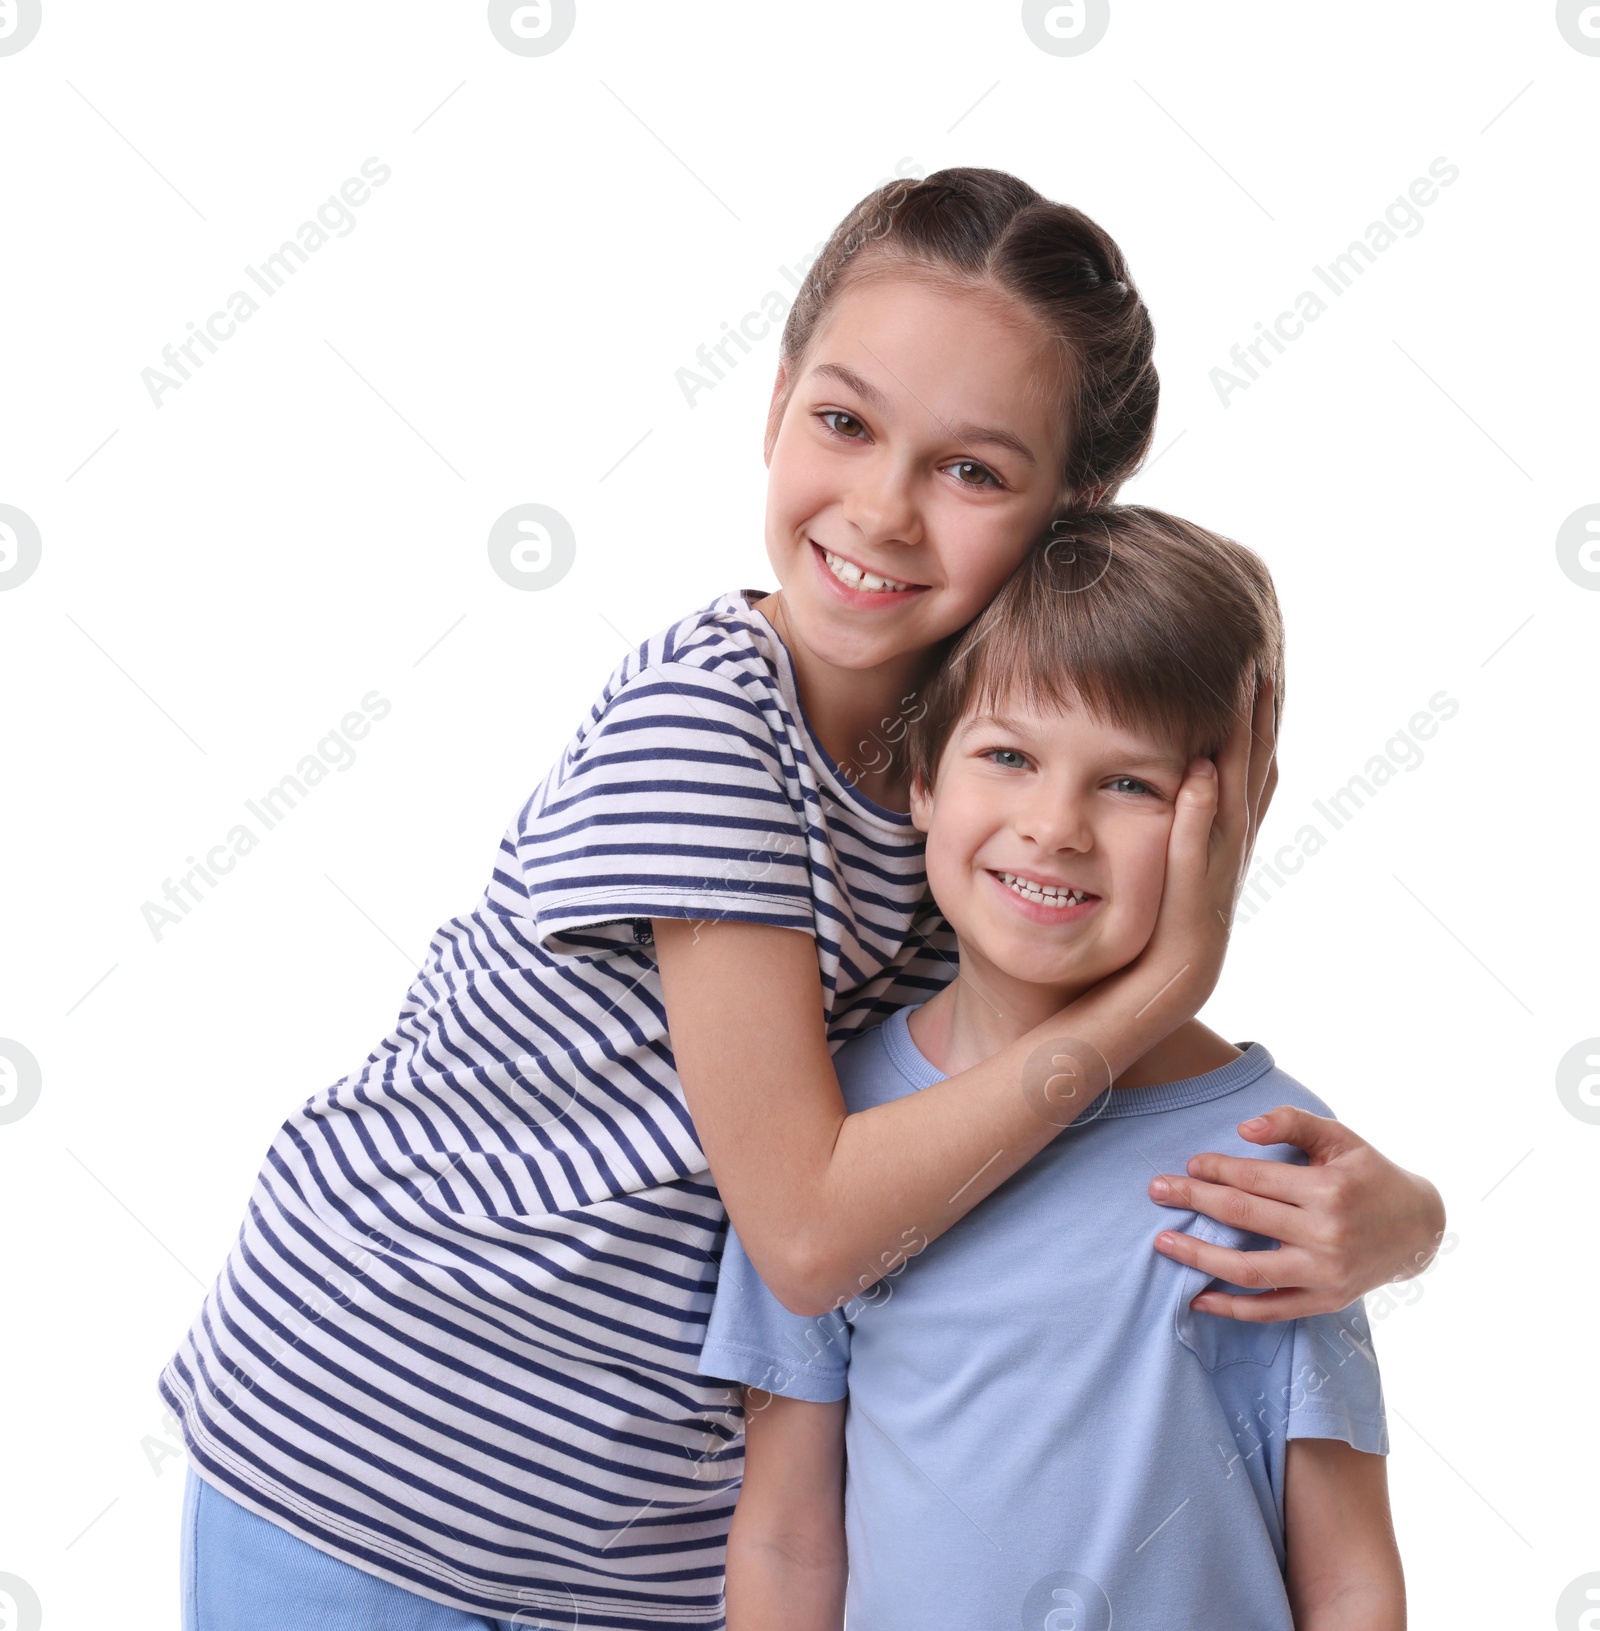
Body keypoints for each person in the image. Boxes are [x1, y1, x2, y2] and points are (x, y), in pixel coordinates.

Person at [161, 170, 1437, 1629]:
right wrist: (1166, 980)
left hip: (643, 1543)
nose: (883, 508)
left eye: (974, 469)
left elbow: (1082, 1157)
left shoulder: (978, 787)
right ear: (774, 405)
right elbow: (815, 1232)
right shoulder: (707, 728)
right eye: (845, 421)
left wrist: (1396, 1223)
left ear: (1073, 516)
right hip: (380, 1453)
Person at [704, 507, 1406, 1630]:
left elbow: (1349, 1567)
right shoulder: (828, 1134)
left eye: (1128, 784)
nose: (1054, 825)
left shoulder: (1273, 1154)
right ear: (924, 777)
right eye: (1009, 755)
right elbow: (789, 1535)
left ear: (1223, 822)